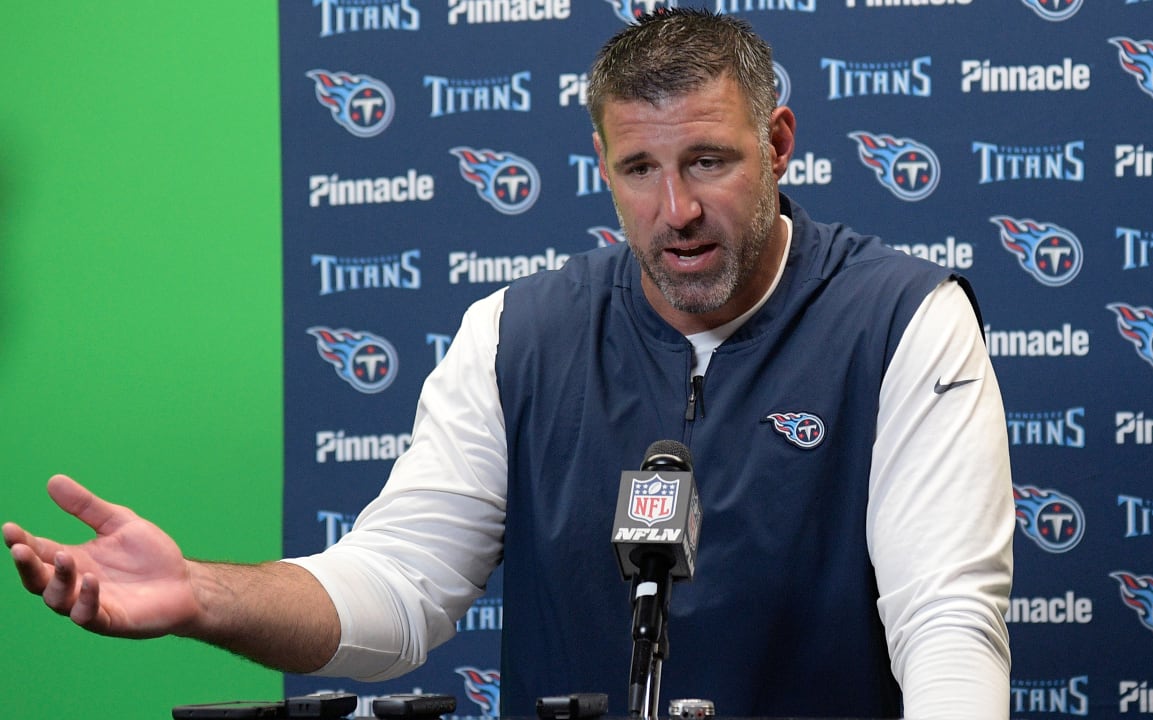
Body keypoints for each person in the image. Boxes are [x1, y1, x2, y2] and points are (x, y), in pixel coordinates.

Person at [4, 9, 1013, 719]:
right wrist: (198, 594)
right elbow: (399, 590)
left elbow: (945, 615)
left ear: (778, 142)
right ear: (601, 168)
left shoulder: (904, 319)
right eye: (639, 170)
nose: (677, 211)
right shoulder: (513, 334)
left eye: (708, 160)